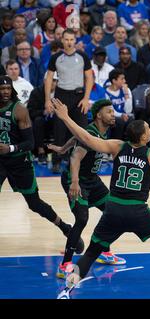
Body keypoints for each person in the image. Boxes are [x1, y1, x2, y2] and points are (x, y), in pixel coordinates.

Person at [53, 99, 150, 300]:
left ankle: (66, 292)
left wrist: (66, 117)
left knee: (92, 253)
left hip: (112, 211)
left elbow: (85, 137)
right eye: (148, 129)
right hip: (138, 212)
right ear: (144, 136)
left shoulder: (117, 146)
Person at [0, 75, 84, 254]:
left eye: (8, 89)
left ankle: (65, 228)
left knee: (34, 204)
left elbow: (30, 143)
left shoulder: (19, 110)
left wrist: (10, 148)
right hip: (1, 162)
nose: (5, 92)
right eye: (2, 89)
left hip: (19, 162)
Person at [48, 100, 127, 279]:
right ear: (99, 115)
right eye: (109, 112)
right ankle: (65, 264)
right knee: (82, 218)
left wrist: (62, 148)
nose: (112, 114)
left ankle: (104, 252)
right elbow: (76, 157)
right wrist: (74, 182)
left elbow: (77, 137)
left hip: (92, 180)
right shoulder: (92, 131)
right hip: (76, 180)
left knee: (111, 212)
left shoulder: (100, 130)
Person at [44, 28, 94, 174]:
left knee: (82, 130)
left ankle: (84, 161)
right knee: (59, 130)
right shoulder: (56, 57)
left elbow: (89, 78)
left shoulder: (83, 56)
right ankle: (57, 161)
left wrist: (86, 98)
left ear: (75, 40)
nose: (69, 42)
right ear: (62, 40)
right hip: (61, 95)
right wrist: (48, 100)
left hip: (79, 96)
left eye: (72, 39)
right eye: (66, 39)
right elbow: (48, 78)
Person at [105, 68, 134, 141]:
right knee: (119, 122)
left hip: (125, 116)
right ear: (114, 81)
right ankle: (116, 145)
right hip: (112, 116)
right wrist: (121, 115)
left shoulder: (126, 90)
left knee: (131, 119)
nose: (125, 81)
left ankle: (128, 145)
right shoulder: (106, 93)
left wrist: (126, 94)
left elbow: (128, 110)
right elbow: (110, 110)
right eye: (122, 79)